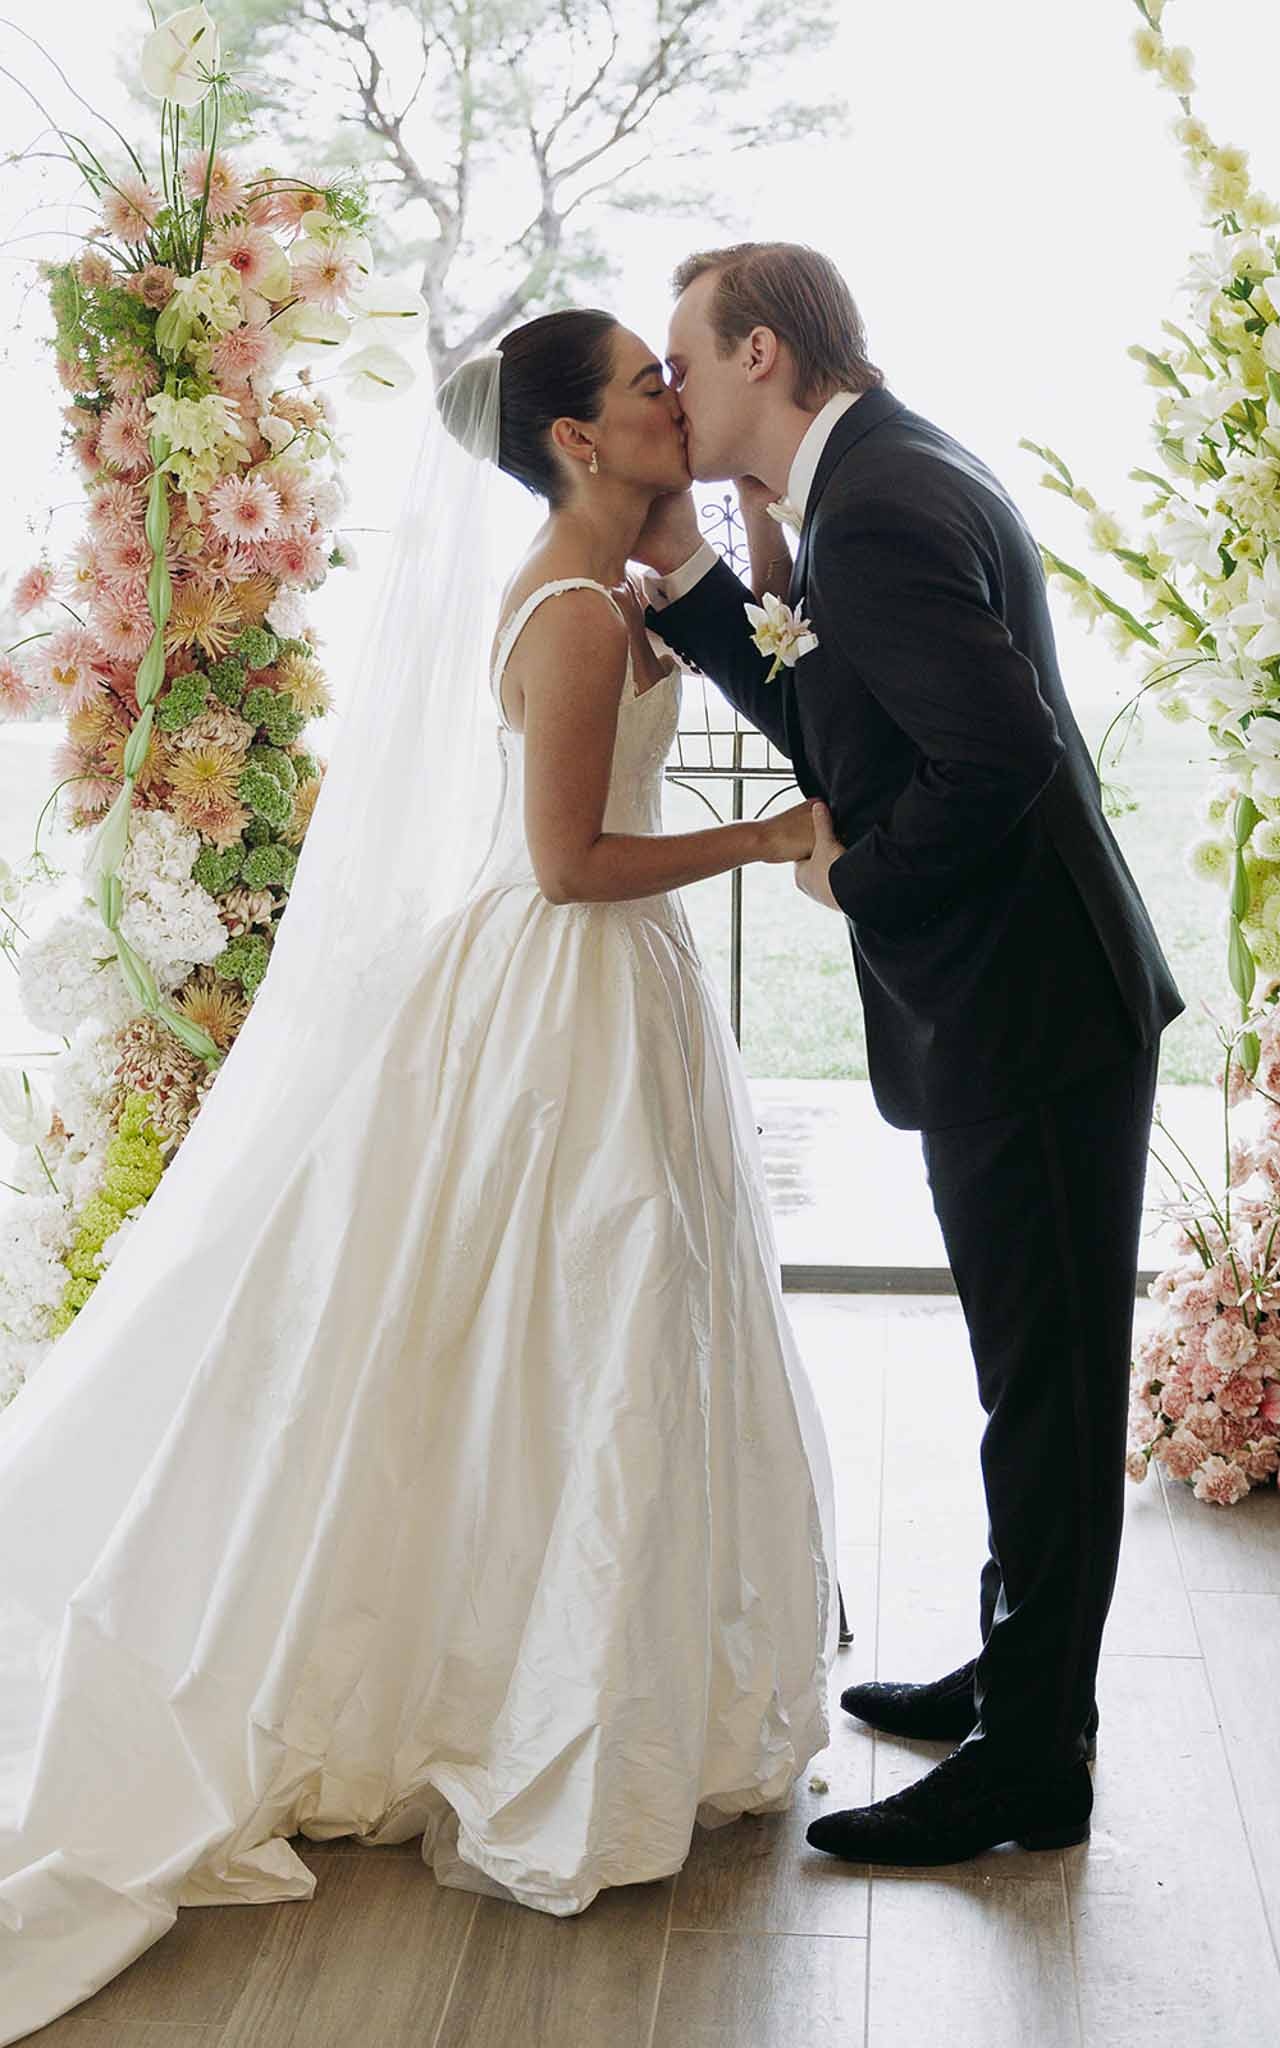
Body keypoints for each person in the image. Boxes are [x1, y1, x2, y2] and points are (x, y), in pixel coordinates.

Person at [0, 310, 838, 2044]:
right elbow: (564, 858)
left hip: (616, 1004)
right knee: (578, 1328)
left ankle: (595, 1678)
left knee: (596, 1336)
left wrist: (715, 562)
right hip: (569, 1000)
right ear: (570, 442)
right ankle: (530, 1705)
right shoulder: (565, 609)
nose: (670, 398)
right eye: (638, 387)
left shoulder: (616, 583)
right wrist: (762, 836)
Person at [635, 241, 1184, 1868]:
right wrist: (710, 600)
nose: (667, 392)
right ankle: (1016, 1679)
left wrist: (845, 876)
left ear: (755, 350)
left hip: (1033, 1014)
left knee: (1050, 1390)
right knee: (1032, 1378)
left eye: (681, 360)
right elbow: (848, 719)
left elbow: (994, 757)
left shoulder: (874, 504)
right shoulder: (875, 474)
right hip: (1026, 1004)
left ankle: (1033, 1766)